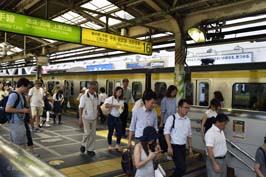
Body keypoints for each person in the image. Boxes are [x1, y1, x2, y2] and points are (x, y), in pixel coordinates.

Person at [164, 99, 193, 177]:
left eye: (188, 108)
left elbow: (189, 135)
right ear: (179, 107)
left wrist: (190, 148)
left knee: (180, 168)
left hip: (183, 146)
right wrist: (169, 146)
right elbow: (166, 133)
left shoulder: (188, 120)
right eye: (185, 107)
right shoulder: (172, 118)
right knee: (182, 167)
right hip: (174, 146)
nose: (187, 110)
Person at [5, 77, 30, 149]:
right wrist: (22, 110)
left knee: (22, 144)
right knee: (20, 146)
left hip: (20, 122)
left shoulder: (20, 95)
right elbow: (7, 109)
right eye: (27, 88)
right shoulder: (14, 95)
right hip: (16, 123)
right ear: (22, 86)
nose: (27, 90)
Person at [205, 113, 229, 177]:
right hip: (214, 160)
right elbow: (209, 149)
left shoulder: (221, 131)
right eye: (224, 124)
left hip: (223, 160)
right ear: (218, 122)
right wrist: (214, 164)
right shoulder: (210, 133)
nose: (225, 126)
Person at [79, 81, 99, 156]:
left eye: (95, 87)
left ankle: (90, 149)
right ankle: (83, 144)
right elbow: (81, 108)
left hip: (94, 118)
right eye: (92, 87)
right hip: (86, 117)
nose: (93, 89)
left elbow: (97, 106)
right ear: (89, 87)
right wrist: (80, 119)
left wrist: (97, 114)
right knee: (87, 132)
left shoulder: (96, 96)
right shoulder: (84, 96)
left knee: (93, 134)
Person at [104, 86, 124, 152]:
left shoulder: (121, 100)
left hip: (118, 117)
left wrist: (121, 108)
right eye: (119, 92)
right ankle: (109, 145)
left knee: (120, 131)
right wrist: (114, 106)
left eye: (121, 92)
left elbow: (122, 108)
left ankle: (117, 144)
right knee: (110, 131)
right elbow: (106, 105)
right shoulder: (111, 98)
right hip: (111, 117)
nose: (120, 93)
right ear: (115, 92)